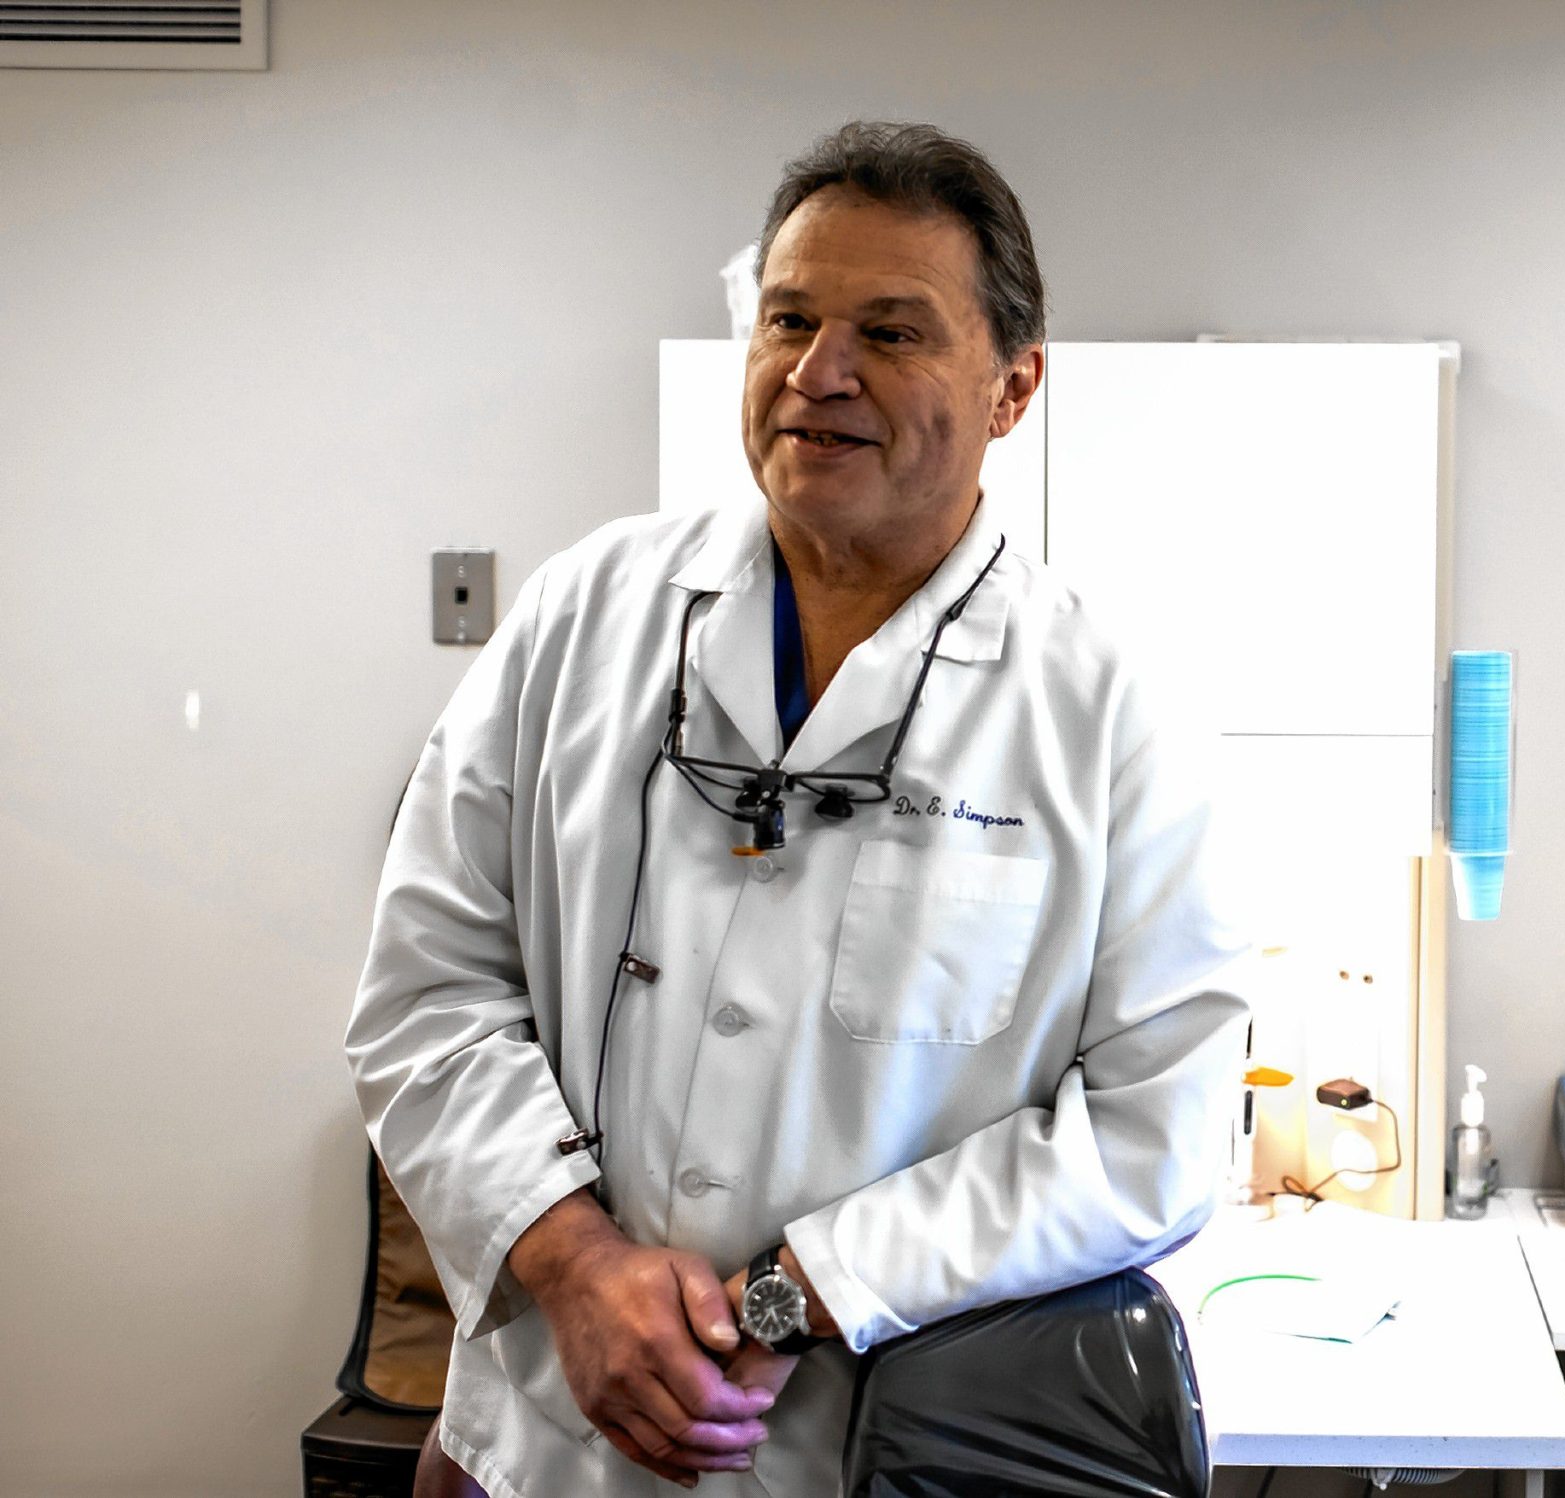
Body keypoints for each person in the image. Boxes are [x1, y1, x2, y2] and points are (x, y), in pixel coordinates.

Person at [347, 120, 1249, 1497]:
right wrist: (572, 1261)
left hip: (846, 1453)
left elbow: (1154, 1130)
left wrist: (796, 1292)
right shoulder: (582, 618)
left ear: (1015, 389)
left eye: (891, 333)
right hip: (540, 1443)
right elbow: (426, 991)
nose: (818, 374)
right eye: (789, 318)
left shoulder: (1105, 712)